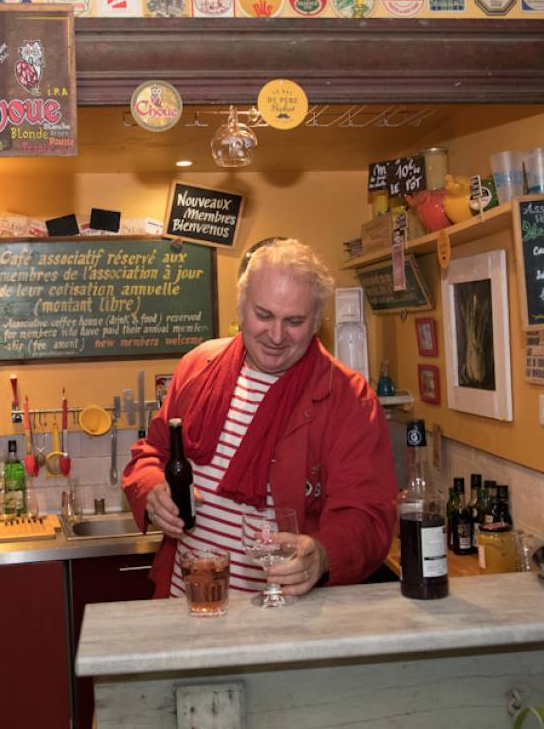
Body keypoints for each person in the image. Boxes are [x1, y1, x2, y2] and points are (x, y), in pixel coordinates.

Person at [122, 239, 397, 600]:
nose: (277, 335)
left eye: (294, 321)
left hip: (287, 618)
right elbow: (151, 453)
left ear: (316, 321)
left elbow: (369, 515)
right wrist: (152, 489)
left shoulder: (349, 398)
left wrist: (324, 553)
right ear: (241, 306)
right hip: (185, 602)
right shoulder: (197, 366)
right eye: (264, 315)